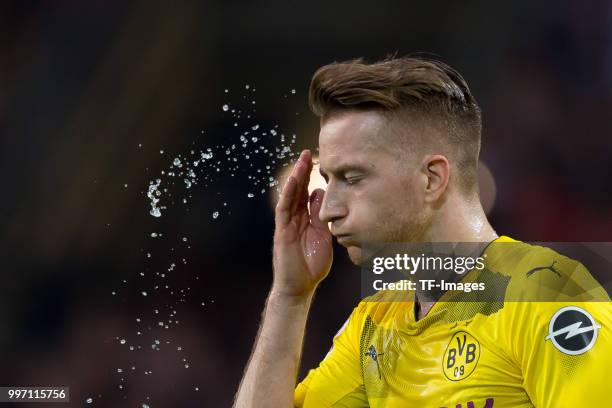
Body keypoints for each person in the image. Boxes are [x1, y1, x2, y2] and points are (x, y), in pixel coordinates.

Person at [233, 56, 611, 407]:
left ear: (432, 178)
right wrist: (289, 296)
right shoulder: (375, 326)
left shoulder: (546, 297)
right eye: (328, 180)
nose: (329, 209)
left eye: (353, 177)